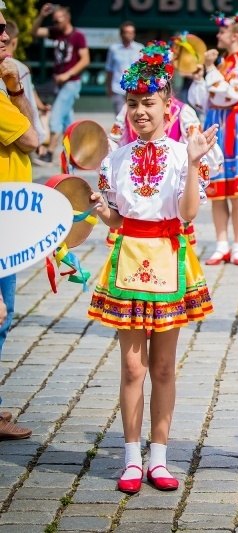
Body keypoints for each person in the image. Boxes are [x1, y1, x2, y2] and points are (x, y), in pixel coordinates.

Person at [88, 44, 217, 493]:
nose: (140, 112)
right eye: (133, 104)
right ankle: (129, 456)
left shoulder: (183, 153)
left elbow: (187, 214)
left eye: (149, 103)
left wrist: (196, 164)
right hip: (128, 257)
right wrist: (103, 211)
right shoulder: (115, 158)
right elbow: (118, 219)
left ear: (167, 105)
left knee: (163, 366)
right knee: (131, 365)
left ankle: (158, 457)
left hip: (169, 256)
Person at [106, 40, 224, 249]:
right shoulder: (127, 110)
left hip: (169, 188)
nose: (139, 109)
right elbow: (115, 141)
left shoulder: (182, 111)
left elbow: (198, 147)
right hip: (133, 192)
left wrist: (191, 163)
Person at [188, 9, 238, 266]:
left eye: (222, 31)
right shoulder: (224, 62)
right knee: (218, 190)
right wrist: (201, 78)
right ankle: (221, 245)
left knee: (237, 192)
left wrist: (209, 70)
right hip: (217, 125)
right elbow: (204, 101)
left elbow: (229, 94)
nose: (218, 35)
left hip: (235, 128)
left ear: (234, 35)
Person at [0, 2, 37, 440]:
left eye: (7, 28)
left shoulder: (3, 86)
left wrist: (14, 86)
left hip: (10, 220)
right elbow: (32, 138)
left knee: (5, 315)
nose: (5, 36)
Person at [31, 3, 89, 165]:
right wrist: (42, 15)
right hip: (58, 83)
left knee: (54, 118)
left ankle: (49, 154)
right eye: (54, 21)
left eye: (58, 21)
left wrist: (67, 74)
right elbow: (34, 32)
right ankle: (75, 154)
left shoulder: (78, 36)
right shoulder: (56, 33)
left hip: (71, 82)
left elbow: (85, 59)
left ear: (67, 18)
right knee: (67, 122)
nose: (55, 24)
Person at [0, 20, 46, 148]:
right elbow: (31, 141)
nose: (5, 36)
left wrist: (17, 91)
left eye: (4, 29)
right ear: (15, 42)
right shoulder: (20, 68)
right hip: (19, 141)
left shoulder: (14, 69)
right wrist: (39, 136)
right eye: (0, 29)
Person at [105, 21, 143, 116]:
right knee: (120, 115)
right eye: (127, 32)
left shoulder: (139, 48)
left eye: (131, 32)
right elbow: (109, 69)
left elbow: (143, 70)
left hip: (135, 88)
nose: (129, 35)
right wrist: (108, 87)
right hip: (117, 87)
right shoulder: (113, 49)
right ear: (121, 34)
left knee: (134, 114)